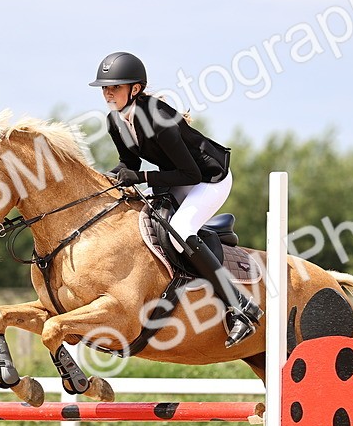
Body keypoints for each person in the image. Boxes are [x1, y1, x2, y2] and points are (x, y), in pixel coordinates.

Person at [89, 51, 261, 348]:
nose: (108, 93)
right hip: (177, 177)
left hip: (209, 179)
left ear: (135, 89)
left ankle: (241, 307)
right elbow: (129, 162)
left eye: (115, 87)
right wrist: (101, 180)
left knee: (180, 228)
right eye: (105, 88)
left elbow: (190, 173)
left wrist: (141, 178)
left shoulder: (158, 119)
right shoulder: (115, 121)